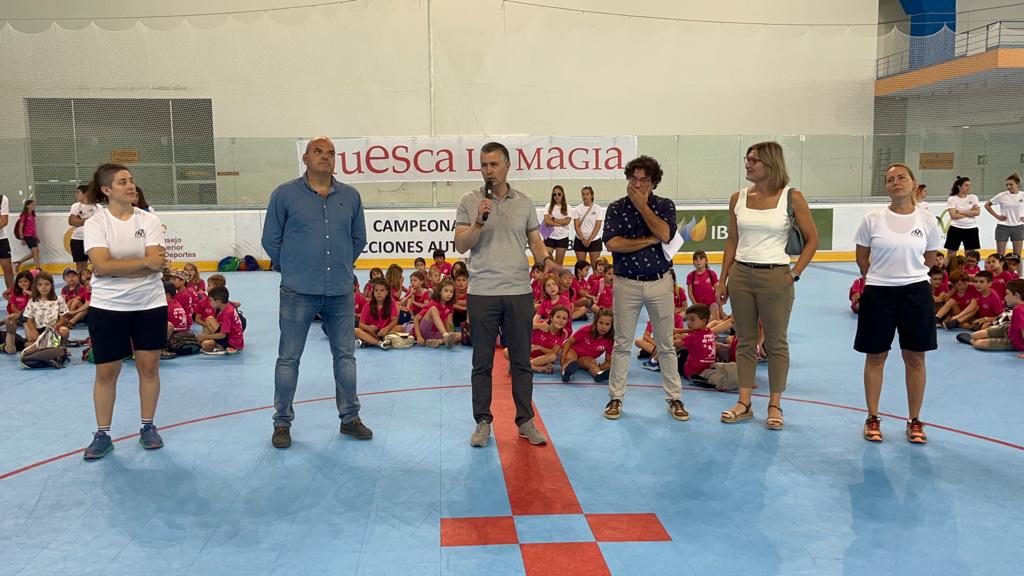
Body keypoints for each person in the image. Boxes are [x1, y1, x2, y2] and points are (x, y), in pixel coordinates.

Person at [261, 136, 371, 449]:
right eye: (318, 152)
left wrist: (340, 265)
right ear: (306, 158)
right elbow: (271, 240)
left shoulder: (350, 196)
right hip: (298, 289)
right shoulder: (284, 195)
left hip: (339, 289)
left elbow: (358, 239)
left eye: (331, 153)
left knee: (345, 356)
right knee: (289, 358)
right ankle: (282, 423)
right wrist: (294, 269)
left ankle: (350, 418)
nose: (325, 157)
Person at [453, 141, 558, 448]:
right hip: (482, 292)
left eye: (494, 164)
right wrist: (478, 221)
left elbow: (536, 242)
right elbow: (461, 245)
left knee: (522, 361)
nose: (488, 170)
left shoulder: (525, 202)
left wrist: (548, 263)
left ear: (507, 166)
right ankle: (483, 422)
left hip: (518, 292)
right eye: (484, 165)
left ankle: (525, 420)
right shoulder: (469, 201)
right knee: (482, 363)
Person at [716, 142, 820, 430]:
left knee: (775, 343)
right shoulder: (738, 197)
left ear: (771, 164)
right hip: (741, 276)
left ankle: (775, 404)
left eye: (754, 161)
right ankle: (744, 402)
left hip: (776, 276)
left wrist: (795, 273)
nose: (747, 165)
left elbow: (813, 239)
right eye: (746, 159)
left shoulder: (792, 197)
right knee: (745, 341)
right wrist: (723, 279)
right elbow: (732, 241)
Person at [81, 163, 169, 460]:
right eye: (122, 182)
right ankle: (102, 433)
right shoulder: (96, 223)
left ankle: (148, 426)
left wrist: (122, 268)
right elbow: (102, 266)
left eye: (131, 181)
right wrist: (144, 264)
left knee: (149, 368)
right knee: (106, 372)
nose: (131, 186)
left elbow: (155, 261)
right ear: (106, 190)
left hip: (149, 304)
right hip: (108, 307)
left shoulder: (150, 220)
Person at [854, 163, 943, 444]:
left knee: (915, 358)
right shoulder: (872, 219)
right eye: (890, 179)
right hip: (879, 292)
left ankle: (914, 420)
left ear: (913, 183)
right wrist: (880, 277)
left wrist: (910, 275)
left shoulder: (927, 220)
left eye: (901, 177)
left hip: (916, 292)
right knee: (876, 356)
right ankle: (872, 417)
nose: (896, 182)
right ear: (886, 187)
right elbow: (862, 257)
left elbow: (929, 259)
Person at [601, 155, 688, 421]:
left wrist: (642, 207)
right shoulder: (615, 208)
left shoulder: (664, 205)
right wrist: (647, 239)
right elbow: (613, 244)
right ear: (628, 179)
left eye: (644, 180)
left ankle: (675, 399)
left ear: (653, 182)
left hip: (660, 282)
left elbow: (664, 234)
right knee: (622, 344)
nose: (638, 184)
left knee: (665, 345)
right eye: (634, 179)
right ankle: (615, 398)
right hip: (626, 283)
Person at [957, 279, 1024, 356]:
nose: (1005, 297)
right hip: (1008, 328)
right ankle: (974, 338)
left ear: (1017, 295)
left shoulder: (1019, 310)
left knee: (979, 343)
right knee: (975, 335)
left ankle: (971, 341)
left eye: (1007, 294)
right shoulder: (1017, 307)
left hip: (1014, 341)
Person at [560, 309, 614, 382]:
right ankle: (566, 373)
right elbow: (569, 342)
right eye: (600, 323)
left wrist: (597, 367)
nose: (603, 327)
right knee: (570, 360)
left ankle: (598, 374)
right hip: (574, 351)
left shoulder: (610, 340)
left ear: (612, 325)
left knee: (591, 362)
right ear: (595, 322)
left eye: (607, 324)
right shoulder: (586, 330)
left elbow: (608, 362)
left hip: (586, 358)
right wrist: (563, 355)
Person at [985, 172, 1024, 257]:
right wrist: (997, 216)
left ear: (1017, 184)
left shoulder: (1022, 195)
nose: (1008, 187)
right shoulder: (1002, 195)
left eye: (1011, 184)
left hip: (1018, 227)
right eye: (1007, 185)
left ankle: (1018, 271)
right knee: (1000, 255)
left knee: (1017, 255)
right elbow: (987, 205)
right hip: (1003, 228)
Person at [945, 176, 981, 265]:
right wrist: (970, 212)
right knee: (951, 254)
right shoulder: (952, 199)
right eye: (966, 185)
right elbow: (953, 215)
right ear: (959, 186)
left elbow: (977, 212)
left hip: (971, 228)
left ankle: (969, 272)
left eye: (969, 185)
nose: (968, 187)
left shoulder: (973, 197)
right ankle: (947, 272)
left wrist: (960, 211)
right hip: (956, 228)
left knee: (970, 255)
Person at [68, 183, 100, 272]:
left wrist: (80, 220)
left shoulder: (97, 207)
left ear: (86, 194)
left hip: (93, 239)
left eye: (78, 192)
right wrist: (90, 219)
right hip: (77, 239)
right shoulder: (75, 206)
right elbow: (71, 222)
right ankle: (81, 285)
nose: (76, 194)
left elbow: (98, 223)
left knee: (96, 265)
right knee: (80, 266)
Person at [572, 185, 604, 268]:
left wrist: (589, 240)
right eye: (583, 194)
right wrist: (583, 239)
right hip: (580, 240)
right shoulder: (577, 209)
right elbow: (576, 226)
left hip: (594, 240)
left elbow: (597, 226)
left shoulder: (597, 208)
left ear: (591, 195)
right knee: (581, 268)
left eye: (587, 194)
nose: (585, 196)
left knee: (595, 267)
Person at [543, 185, 572, 265]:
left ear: (563, 194)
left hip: (562, 237)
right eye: (554, 194)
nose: (557, 196)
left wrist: (554, 220)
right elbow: (547, 221)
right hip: (550, 237)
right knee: (547, 262)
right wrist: (559, 223)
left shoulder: (567, 207)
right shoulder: (548, 206)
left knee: (558, 265)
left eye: (559, 194)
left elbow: (567, 221)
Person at [13, 199, 41, 271]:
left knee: (35, 252)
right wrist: (22, 238)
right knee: (35, 250)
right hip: (27, 236)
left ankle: (18, 262)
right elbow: (20, 227)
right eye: (32, 205)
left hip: (32, 236)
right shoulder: (24, 215)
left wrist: (36, 236)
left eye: (34, 205)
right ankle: (38, 268)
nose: (34, 206)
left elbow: (33, 227)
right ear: (27, 206)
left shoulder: (32, 215)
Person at [0, 189, 11, 291]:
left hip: (1, 239)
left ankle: (13, 298)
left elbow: (4, 221)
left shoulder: (2, 199)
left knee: (7, 269)